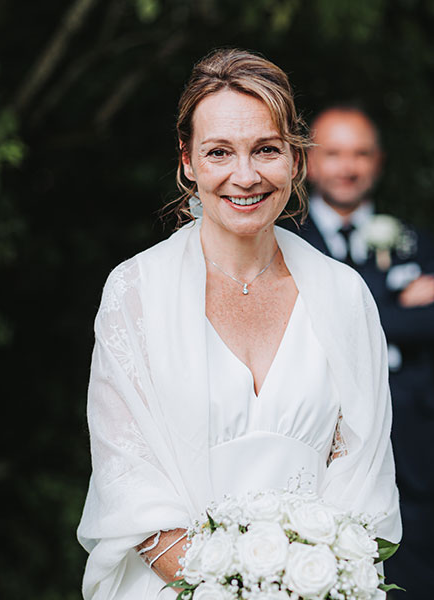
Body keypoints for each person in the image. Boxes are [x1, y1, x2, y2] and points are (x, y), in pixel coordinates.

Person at [77, 51, 401, 600]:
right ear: (188, 161)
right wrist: (232, 591)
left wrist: (306, 585)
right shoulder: (134, 292)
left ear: (296, 161)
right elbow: (129, 479)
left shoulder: (344, 294)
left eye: (267, 150)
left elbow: (362, 476)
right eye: (219, 152)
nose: (244, 176)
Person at [287, 106, 434, 599]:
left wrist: (357, 310)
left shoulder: (411, 240)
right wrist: (391, 299)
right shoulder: (289, 242)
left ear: (378, 162)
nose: (348, 166)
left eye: (361, 153)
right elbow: (304, 326)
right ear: (308, 162)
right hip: (318, 441)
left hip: (410, 442)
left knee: (421, 581)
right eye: (334, 153)